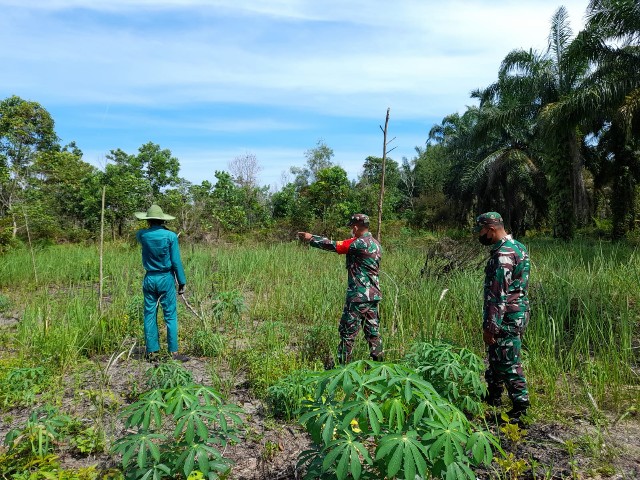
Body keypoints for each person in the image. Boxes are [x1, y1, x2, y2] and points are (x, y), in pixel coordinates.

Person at [297, 214, 383, 365]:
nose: (351, 229)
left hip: (358, 296)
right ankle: (380, 366)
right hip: (373, 296)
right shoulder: (376, 244)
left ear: (356, 227)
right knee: (373, 334)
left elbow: (334, 245)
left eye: (351, 227)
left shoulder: (358, 243)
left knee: (347, 333)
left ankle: (342, 369)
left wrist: (311, 238)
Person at [474, 212, 530, 423]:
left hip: (506, 315)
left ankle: (520, 407)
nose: (479, 235)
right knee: (497, 355)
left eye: (481, 230)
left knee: (508, 361)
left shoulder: (503, 255)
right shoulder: (518, 247)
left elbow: (498, 295)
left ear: (491, 229)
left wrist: (490, 327)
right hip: (517, 311)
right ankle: (493, 395)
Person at [134, 204, 189, 362]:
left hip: (150, 278)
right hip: (166, 278)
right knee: (170, 316)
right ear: (162, 220)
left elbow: (143, 234)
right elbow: (176, 262)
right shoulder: (170, 236)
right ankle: (173, 353)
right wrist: (182, 282)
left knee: (149, 315)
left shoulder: (142, 235)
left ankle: (152, 353)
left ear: (149, 220)